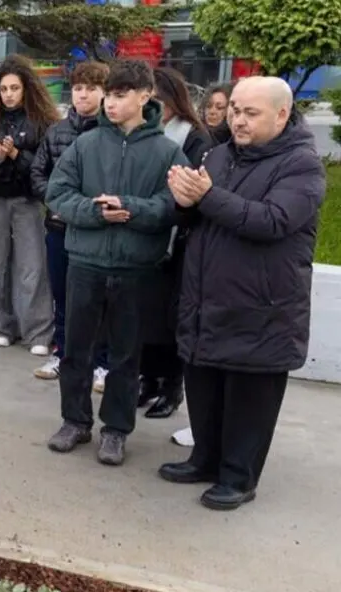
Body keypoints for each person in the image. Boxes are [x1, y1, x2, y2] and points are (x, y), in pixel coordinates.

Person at [162, 76, 326, 511]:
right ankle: (204, 459)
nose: (237, 119)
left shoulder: (301, 165)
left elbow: (271, 221)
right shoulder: (219, 155)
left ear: (282, 114)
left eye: (250, 113)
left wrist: (206, 196)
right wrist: (183, 202)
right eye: (235, 109)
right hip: (207, 301)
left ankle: (238, 477)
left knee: (249, 399)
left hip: (262, 308)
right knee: (205, 387)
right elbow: (200, 215)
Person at [44, 60, 188, 466]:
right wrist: (95, 212)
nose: (110, 103)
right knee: (76, 350)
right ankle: (75, 421)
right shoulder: (86, 144)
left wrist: (132, 209)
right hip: (85, 263)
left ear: (145, 97)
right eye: (109, 94)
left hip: (136, 269)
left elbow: (175, 204)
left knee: (126, 356)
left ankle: (116, 430)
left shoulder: (167, 151)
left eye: (121, 95)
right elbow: (58, 193)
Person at [137, 67, 212, 419]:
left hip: (179, 239)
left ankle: (171, 385)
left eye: (155, 99)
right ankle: (148, 379)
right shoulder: (143, 135)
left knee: (171, 319)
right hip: (146, 236)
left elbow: (192, 189)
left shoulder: (195, 139)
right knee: (146, 316)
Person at [30, 60, 110, 381]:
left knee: (98, 300)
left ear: (104, 93)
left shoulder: (111, 133)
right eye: (78, 88)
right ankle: (62, 353)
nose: (83, 95)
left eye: (91, 88)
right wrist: (58, 204)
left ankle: (102, 362)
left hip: (95, 233)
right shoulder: (57, 131)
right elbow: (38, 173)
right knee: (61, 296)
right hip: (59, 227)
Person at [0, 55, 60, 354]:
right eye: (3, 89)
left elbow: (43, 167)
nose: (9, 94)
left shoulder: (43, 124)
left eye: (14, 88)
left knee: (32, 267)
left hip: (28, 201)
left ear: (26, 89)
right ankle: (0, 327)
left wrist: (16, 155)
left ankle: (38, 334)